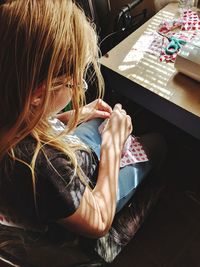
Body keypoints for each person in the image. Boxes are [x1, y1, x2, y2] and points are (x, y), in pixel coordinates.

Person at [0, 0, 166, 264]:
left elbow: (35, 124)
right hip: (78, 195)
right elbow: (98, 220)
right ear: (39, 95)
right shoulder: (43, 165)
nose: (79, 85)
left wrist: (66, 118)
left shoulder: (11, 103)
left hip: (65, 159)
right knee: (158, 144)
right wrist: (112, 146)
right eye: (73, 79)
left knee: (103, 124)